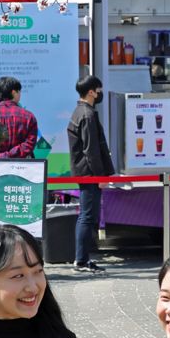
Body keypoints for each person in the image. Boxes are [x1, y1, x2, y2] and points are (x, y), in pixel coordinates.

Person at [67, 75, 114, 273]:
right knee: (87, 216)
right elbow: (91, 150)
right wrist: (100, 176)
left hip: (84, 173)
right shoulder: (87, 114)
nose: (101, 93)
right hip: (89, 174)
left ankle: (83, 259)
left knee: (86, 216)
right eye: (99, 89)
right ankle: (81, 260)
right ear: (91, 92)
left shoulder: (81, 111)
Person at [0, 76, 39, 159]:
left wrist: (0, 156)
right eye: (19, 91)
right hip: (22, 167)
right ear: (14, 92)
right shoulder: (29, 117)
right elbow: (29, 144)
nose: (20, 94)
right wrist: (10, 155)